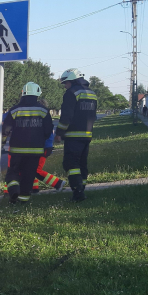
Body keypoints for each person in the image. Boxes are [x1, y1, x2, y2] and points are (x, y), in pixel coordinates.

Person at [2, 82, 53, 204]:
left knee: (13, 172)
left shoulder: (14, 110)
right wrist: (40, 139)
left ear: (23, 93)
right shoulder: (43, 111)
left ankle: (14, 190)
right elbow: (48, 131)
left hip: (16, 150)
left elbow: (5, 130)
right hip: (35, 151)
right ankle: (23, 200)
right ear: (37, 94)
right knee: (28, 175)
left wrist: (4, 141)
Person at [55, 69, 97, 202]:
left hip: (73, 136)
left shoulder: (71, 93)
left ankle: (78, 192)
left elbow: (66, 116)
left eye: (66, 83)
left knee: (71, 164)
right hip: (87, 135)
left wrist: (59, 133)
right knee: (82, 164)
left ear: (72, 81)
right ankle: (81, 189)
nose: (65, 86)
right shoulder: (92, 93)